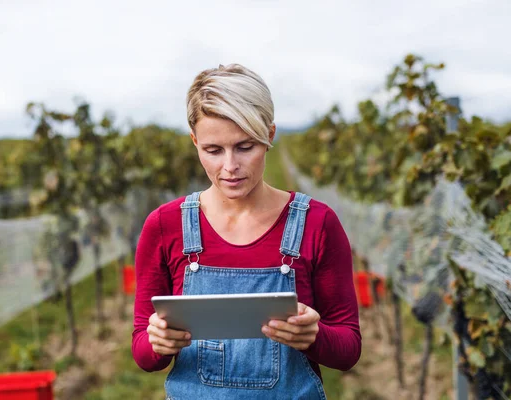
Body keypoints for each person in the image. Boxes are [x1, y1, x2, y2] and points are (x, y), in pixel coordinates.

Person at [132, 63, 361, 399]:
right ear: (195, 142)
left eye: (244, 147)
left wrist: (314, 337)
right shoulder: (165, 227)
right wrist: (157, 343)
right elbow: (142, 350)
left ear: (269, 135)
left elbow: (349, 347)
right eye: (213, 150)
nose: (230, 167)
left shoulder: (317, 223)